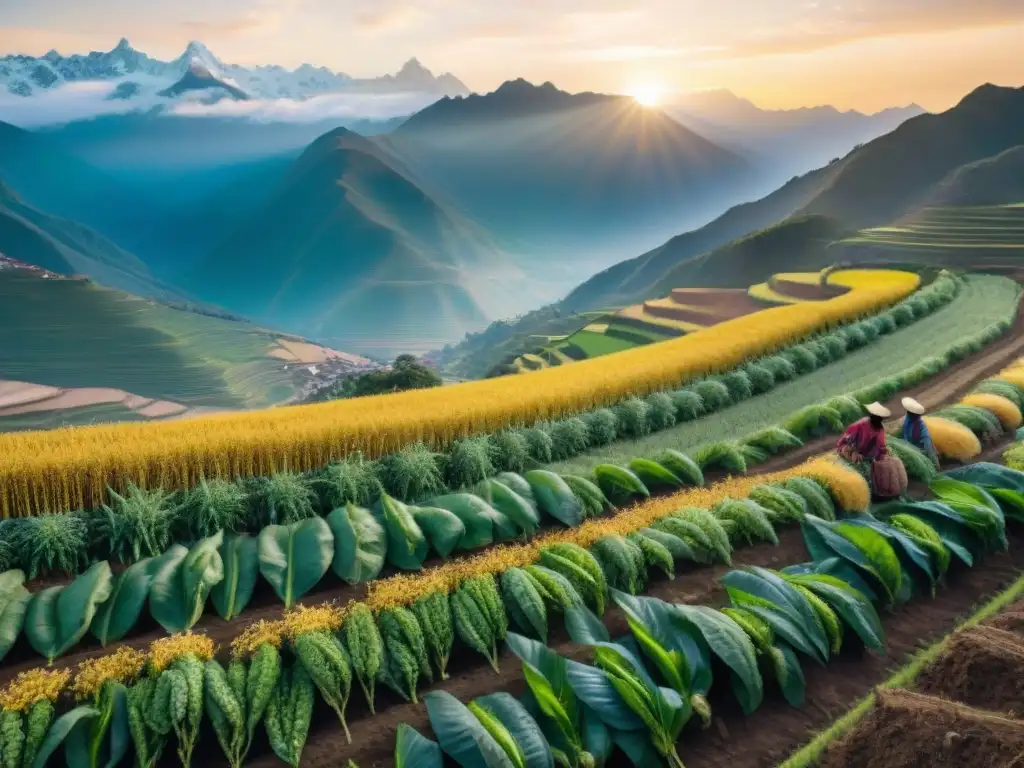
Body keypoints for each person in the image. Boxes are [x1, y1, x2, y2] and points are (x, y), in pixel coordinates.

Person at [836, 402, 890, 474]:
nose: (878, 420)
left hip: (865, 454)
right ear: (872, 416)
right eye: (876, 417)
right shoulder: (860, 424)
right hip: (851, 448)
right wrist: (855, 452)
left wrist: (884, 455)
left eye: (880, 418)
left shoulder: (880, 430)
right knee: (855, 459)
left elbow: (882, 447)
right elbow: (847, 440)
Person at [901, 397, 939, 465]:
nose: (908, 414)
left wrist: (934, 463)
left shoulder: (920, 426)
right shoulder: (908, 420)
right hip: (909, 446)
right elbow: (906, 434)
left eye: (910, 413)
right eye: (908, 412)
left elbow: (928, 447)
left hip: (920, 451)